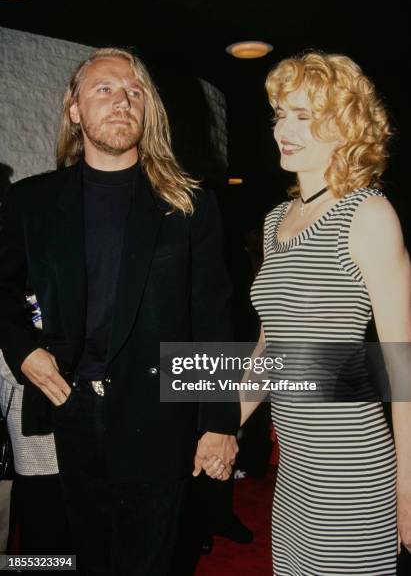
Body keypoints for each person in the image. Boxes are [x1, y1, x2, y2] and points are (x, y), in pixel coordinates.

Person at [0, 47, 238, 576]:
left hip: (161, 417)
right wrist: (23, 349)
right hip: (72, 412)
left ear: (147, 110)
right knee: (84, 559)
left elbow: (212, 316)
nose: (121, 100)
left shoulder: (188, 203)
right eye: (104, 89)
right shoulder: (31, 202)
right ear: (75, 109)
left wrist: (219, 422)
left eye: (134, 92)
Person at [240, 52, 411, 574]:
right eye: (279, 115)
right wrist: (225, 423)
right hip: (294, 471)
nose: (282, 130)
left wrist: (410, 487)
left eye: (304, 116)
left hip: (352, 471)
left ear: (347, 126)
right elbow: (271, 349)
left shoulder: (369, 214)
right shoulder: (275, 221)